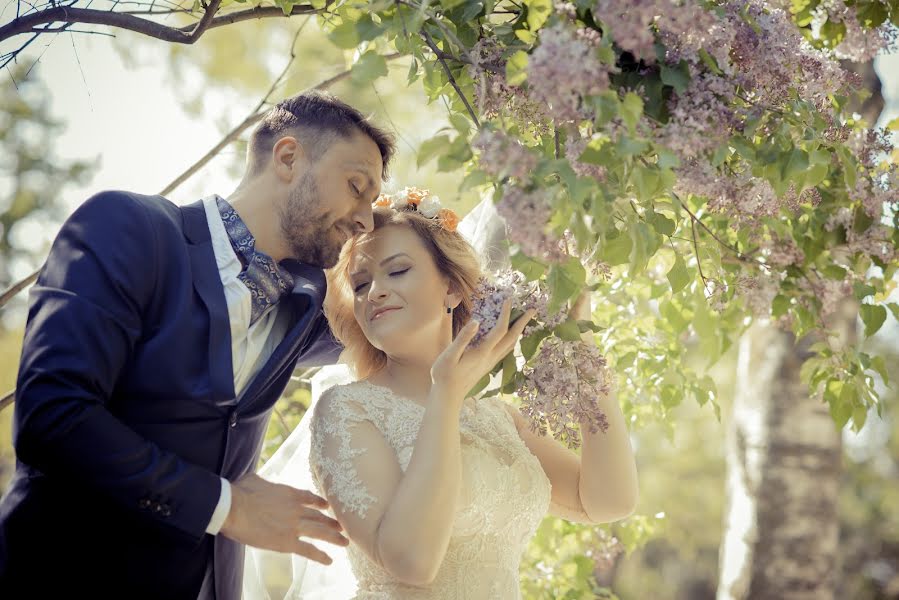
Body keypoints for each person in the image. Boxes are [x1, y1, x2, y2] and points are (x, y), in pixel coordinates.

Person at [0, 91, 395, 600]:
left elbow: (418, 319)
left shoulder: (309, 305)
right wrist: (228, 507)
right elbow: (52, 417)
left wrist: (410, 235)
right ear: (289, 157)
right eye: (356, 186)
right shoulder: (129, 228)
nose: (363, 219)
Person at [250, 191, 639, 598]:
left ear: (452, 289)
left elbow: (609, 501)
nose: (375, 293)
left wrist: (583, 347)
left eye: (397, 271)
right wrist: (445, 396)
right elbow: (412, 561)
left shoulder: (499, 419)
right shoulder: (346, 411)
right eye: (361, 284)